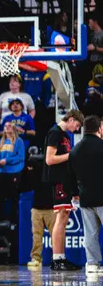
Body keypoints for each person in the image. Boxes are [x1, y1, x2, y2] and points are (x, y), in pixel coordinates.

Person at [42, 109, 84, 271]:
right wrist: (73, 155)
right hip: (57, 180)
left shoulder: (65, 135)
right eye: (77, 125)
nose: (76, 129)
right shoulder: (55, 132)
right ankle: (58, 258)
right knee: (61, 217)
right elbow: (49, 159)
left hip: (64, 179)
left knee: (63, 217)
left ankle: (60, 257)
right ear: (71, 119)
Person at [67, 115, 103, 274]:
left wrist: (75, 194)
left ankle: (93, 264)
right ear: (99, 129)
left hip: (85, 198)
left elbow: (70, 176)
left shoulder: (75, 150)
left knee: (90, 234)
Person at [0, 122, 25, 222]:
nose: (7, 127)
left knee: (13, 197)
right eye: (5, 126)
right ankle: (0, 219)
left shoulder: (19, 141)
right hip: (1, 171)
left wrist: (7, 161)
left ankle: (13, 220)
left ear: (14, 128)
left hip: (14, 171)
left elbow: (21, 157)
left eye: (9, 126)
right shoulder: (0, 142)